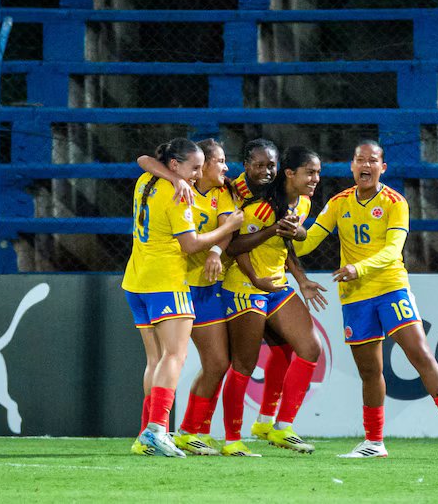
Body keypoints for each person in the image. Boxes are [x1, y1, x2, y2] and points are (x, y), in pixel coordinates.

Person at [295, 140, 438, 458]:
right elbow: (307, 242)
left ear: (383, 168)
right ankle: (374, 442)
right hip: (355, 297)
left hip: (390, 287)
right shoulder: (339, 202)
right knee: (370, 371)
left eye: (372, 160)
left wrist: (358, 267)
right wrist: (289, 232)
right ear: (352, 166)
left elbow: (393, 251)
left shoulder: (395, 202)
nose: (365, 166)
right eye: (359, 160)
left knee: (419, 353)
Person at [137, 138, 303, 453]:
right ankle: (152, 431)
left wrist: (215, 251)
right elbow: (144, 158)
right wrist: (174, 179)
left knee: (216, 362)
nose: (226, 168)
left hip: (206, 287)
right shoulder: (178, 190)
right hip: (177, 285)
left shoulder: (222, 193)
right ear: (200, 167)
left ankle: (186, 431)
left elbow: (229, 228)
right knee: (166, 358)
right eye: (219, 162)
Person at [124, 138, 243, 458]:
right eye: (193, 168)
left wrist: (176, 176)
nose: (196, 174)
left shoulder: (145, 181)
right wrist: (228, 227)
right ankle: (158, 429)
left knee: (155, 360)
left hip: (136, 278)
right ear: (175, 165)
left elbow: (144, 158)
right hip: (167, 280)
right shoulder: (178, 194)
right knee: (174, 357)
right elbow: (191, 245)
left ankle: (145, 433)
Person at [218, 146, 328, 456]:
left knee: (309, 347)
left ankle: (278, 426)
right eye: (311, 172)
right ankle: (231, 440)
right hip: (245, 285)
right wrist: (256, 278)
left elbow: (286, 244)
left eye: (318, 172)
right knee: (243, 365)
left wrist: (302, 278)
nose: (316, 178)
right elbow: (234, 247)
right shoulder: (258, 202)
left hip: (276, 284)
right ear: (290, 173)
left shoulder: (302, 203)